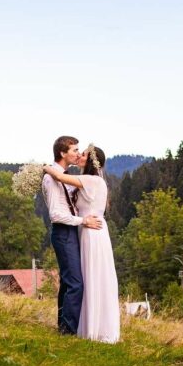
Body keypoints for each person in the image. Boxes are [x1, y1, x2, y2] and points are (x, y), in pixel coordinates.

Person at [44, 145, 120, 343]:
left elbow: (60, 177)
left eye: (83, 154)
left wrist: (45, 168)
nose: (79, 155)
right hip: (84, 231)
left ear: (92, 161)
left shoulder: (92, 180)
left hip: (91, 232)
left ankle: (93, 327)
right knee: (82, 277)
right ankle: (80, 325)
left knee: (91, 277)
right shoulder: (89, 181)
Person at [42, 136, 102, 335]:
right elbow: (56, 214)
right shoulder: (51, 178)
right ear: (62, 153)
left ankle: (63, 327)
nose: (77, 154)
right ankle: (68, 331)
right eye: (75, 150)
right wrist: (82, 221)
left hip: (70, 232)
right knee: (76, 283)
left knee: (68, 281)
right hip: (63, 232)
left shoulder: (64, 176)